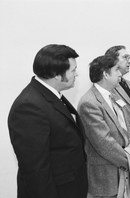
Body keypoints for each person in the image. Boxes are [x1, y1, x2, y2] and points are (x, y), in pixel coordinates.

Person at [8, 44, 88, 198]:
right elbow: (36, 171)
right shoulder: (29, 106)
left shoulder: (48, 95)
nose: (76, 74)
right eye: (73, 70)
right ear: (56, 74)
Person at [77, 55, 130, 198]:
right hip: (106, 174)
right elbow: (104, 143)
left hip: (123, 168)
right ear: (105, 74)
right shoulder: (89, 103)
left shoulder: (114, 95)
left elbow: (127, 125)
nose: (120, 73)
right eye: (116, 69)